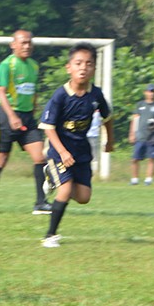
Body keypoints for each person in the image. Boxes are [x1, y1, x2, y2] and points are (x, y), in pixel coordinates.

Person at [38, 43, 114, 248]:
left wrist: (110, 141)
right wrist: (62, 152)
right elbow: (48, 128)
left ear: (94, 69)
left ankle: (53, 179)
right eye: (78, 63)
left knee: (83, 197)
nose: (83, 68)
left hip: (81, 152)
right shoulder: (60, 96)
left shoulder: (95, 95)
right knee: (65, 190)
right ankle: (50, 235)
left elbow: (108, 118)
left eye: (88, 64)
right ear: (68, 67)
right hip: (58, 151)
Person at [0, 29, 51, 215]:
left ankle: (40, 203)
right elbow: (1, 92)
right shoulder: (6, 65)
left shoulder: (34, 66)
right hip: (5, 115)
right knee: (0, 160)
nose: (27, 46)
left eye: (29, 42)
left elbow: (33, 91)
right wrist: (12, 116)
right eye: (23, 43)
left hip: (27, 116)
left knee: (40, 157)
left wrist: (34, 110)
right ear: (13, 45)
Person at [129, 84, 154, 185]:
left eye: (153, 92)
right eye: (149, 91)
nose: (151, 94)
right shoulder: (140, 105)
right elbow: (134, 119)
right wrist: (132, 134)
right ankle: (134, 179)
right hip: (140, 135)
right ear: (145, 92)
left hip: (152, 136)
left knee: (151, 158)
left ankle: (148, 179)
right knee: (135, 158)